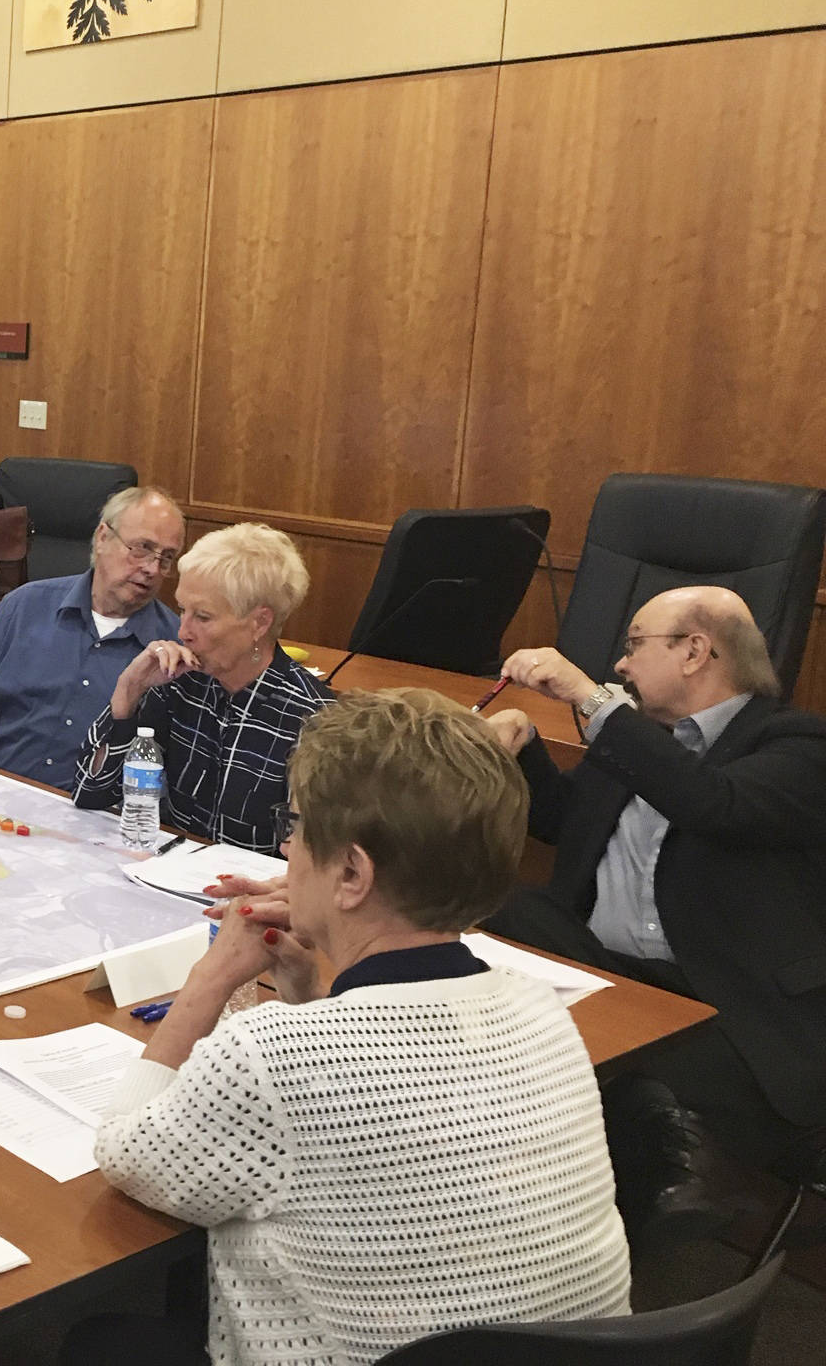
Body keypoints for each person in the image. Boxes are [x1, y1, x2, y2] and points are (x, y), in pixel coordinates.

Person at [75, 690, 629, 1366]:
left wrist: (209, 981)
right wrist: (309, 988)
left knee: (98, 1340)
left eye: (298, 824)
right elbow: (369, 1087)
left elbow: (126, 1154)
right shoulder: (540, 1010)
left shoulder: (271, 1056)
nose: (285, 845)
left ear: (351, 872)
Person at [480, 586, 826, 1190]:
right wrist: (526, 751)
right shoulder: (642, 740)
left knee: (621, 1086)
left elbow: (713, 805)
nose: (620, 664)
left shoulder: (797, 745)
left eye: (635, 644)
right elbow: (567, 822)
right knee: (496, 907)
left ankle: (669, 1173)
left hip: (719, 994)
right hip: (606, 969)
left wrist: (590, 699)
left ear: (695, 651)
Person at [73, 522, 329, 850]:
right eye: (182, 610)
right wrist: (128, 694)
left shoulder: (312, 720)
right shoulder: (181, 684)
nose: (183, 632)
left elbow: (312, 863)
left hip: (248, 892)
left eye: (203, 617)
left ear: (259, 622)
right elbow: (88, 794)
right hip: (166, 877)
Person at [0, 485, 185, 787]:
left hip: (93, 820)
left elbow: (168, 767)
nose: (152, 569)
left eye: (166, 558)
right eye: (142, 548)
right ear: (103, 537)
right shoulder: (24, 606)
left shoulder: (172, 646)